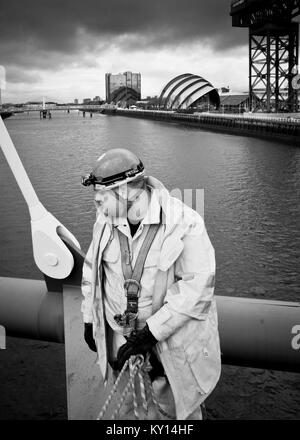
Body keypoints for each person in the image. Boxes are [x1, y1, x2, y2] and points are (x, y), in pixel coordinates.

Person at [81, 148, 221, 420]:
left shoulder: (185, 222)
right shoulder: (106, 219)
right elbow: (92, 270)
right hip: (123, 350)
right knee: (130, 412)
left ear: (127, 193)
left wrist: (151, 334)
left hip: (168, 354)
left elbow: (198, 291)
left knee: (175, 414)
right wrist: (90, 319)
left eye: (101, 200)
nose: (96, 207)